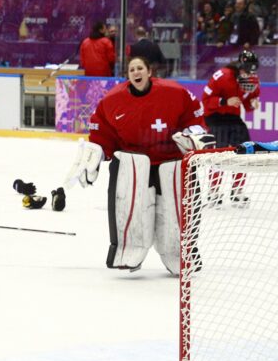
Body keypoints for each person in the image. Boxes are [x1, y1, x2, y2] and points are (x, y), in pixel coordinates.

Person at [67, 56, 210, 274]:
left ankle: (181, 252)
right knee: (129, 186)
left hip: (170, 159)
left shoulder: (174, 92)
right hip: (135, 161)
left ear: (149, 71)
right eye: (132, 69)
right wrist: (97, 153)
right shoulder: (112, 100)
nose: (136, 72)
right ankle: (128, 248)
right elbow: (102, 134)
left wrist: (193, 136)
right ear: (128, 75)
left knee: (177, 206)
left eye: (140, 68)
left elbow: (194, 118)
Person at [202, 49, 260, 203]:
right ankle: (214, 191)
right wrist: (224, 101)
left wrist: (253, 104)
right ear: (239, 67)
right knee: (218, 153)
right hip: (214, 116)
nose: (249, 76)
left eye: (252, 73)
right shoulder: (221, 76)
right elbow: (205, 100)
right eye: (246, 72)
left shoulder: (253, 80)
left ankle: (237, 190)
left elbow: (247, 105)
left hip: (233, 117)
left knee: (244, 149)